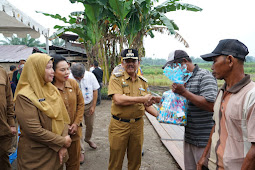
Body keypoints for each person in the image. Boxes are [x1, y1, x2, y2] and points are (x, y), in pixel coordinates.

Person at [197, 39, 255, 170]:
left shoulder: (251, 96)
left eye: (215, 61)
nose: (212, 67)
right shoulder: (222, 92)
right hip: (212, 165)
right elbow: (216, 126)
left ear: (229, 60)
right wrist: (203, 158)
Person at [162, 50, 218, 170]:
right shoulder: (183, 79)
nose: (172, 70)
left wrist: (184, 92)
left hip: (204, 140)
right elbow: (183, 104)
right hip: (189, 137)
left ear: (184, 62)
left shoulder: (204, 76)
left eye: (173, 66)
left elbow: (212, 106)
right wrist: (164, 100)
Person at [14, 53, 72, 169]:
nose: (52, 72)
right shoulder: (24, 96)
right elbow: (34, 130)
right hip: (37, 157)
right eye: (48, 68)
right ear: (37, 69)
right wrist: (62, 141)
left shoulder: (52, 89)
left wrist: (63, 145)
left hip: (56, 153)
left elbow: (63, 119)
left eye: (52, 67)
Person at [107, 49, 160, 170]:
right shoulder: (116, 79)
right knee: (116, 161)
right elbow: (118, 99)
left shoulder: (143, 82)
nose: (130, 63)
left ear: (138, 63)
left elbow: (147, 105)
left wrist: (160, 116)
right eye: (127, 61)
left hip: (137, 125)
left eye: (133, 61)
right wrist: (141, 99)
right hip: (119, 125)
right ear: (122, 63)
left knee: (135, 161)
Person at [52, 54, 85, 170]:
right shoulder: (48, 89)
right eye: (62, 70)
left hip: (74, 133)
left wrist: (76, 123)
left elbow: (81, 104)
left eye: (67, 69)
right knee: (57, 164)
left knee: (74, 164)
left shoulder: (73, 83)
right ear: (53, 71)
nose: (67, 72)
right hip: (57, 136)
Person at [69, 63, 100, 163]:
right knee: (78, 128)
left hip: (88, 104)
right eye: (77, 77)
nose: (79, 79)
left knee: (90, 125)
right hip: (75, 107)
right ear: (73, 74)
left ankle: (88, 139)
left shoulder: (90, 75)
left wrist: (93, 106)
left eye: (81, 77)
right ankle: (81, 151)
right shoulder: (68, 77)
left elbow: (95, 90)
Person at [0, 65, 17, 170]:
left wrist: (11, 123)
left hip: (2, 128)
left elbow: (9, 99)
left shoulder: (2, 71)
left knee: (3, 160)